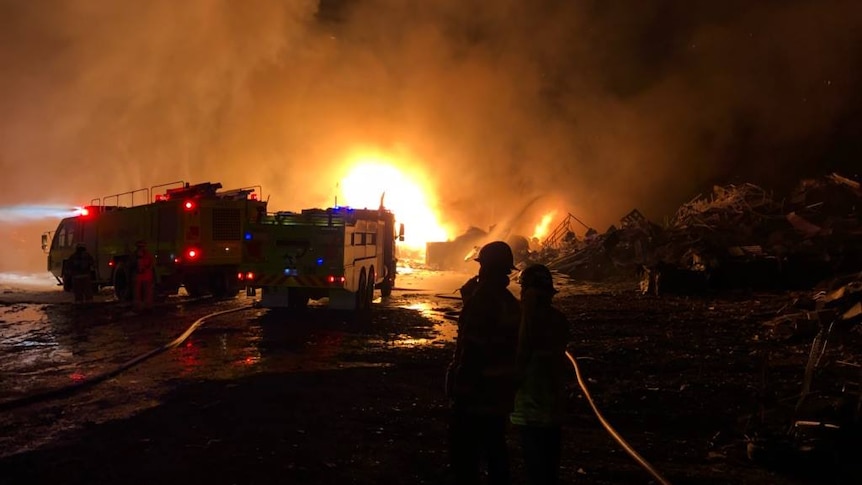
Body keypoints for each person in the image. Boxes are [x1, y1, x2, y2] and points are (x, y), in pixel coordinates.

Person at [447, 241, 521, 485]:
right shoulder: (510, 302)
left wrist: (460, 386)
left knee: (465, 456)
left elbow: (474, 346)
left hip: (477, 392)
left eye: (482, 267)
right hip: (500, 393)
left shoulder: (484, 301)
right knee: (495, 449)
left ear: (487, 269)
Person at [510, 264, 570, 485]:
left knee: (535, 466)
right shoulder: (559, 320)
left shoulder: (524, 320)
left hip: (529, 408)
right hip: (553, 408)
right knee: (549, 467)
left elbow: (520, 358)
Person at [133, 240, 155, 312]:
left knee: (139, 292)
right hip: (145, 276)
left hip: (141, 276)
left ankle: (141, 307)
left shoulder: (136, 255)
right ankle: (145, 306)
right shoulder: (147, 254)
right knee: (145, 292)